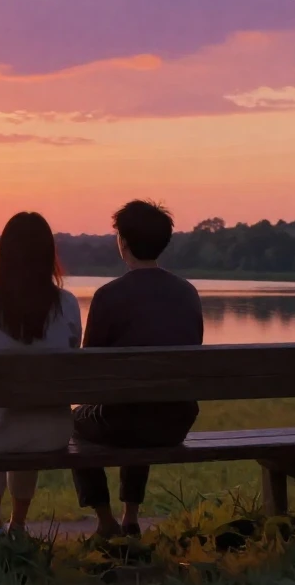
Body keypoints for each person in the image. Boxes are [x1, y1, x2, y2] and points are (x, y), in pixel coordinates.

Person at [71, 200, 204, 538]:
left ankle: (104, 521)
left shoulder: (108, 296)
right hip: (177, 422)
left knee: (74, 423)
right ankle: (131, 516)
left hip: (125, 423)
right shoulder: (188, 293)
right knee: (145, 399)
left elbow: (89, 371)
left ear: (123, 243)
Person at [0, 211, 80, 535]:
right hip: (52, 432)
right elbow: (74, 354)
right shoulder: (67, 305)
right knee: (26, 416)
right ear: (48, 256)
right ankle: (19, 523)